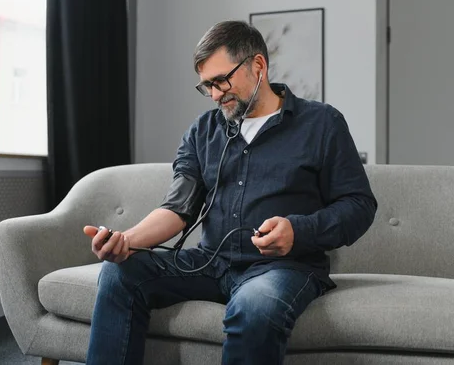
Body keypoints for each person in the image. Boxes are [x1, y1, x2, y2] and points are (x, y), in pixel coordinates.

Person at [83, 20, 378, 365]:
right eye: (206, 85)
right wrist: (126, 240)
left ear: (258, 66)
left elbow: (359, 205)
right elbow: (179, 207)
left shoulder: (322, 123)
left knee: (254, 306)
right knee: (120, 273)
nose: (214, 94)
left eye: (221, 80)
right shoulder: (203, 131)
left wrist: (298, 231)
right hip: (209, 263)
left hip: (282, 268)